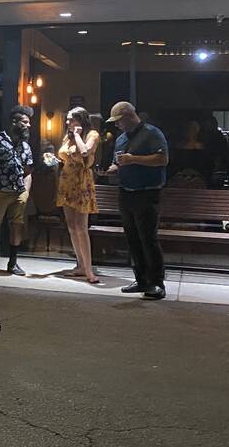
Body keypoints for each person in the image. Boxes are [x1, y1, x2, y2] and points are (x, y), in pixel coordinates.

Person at [108, 101, 170, 301]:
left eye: (118, 120)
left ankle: (157, 283)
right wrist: (112, 169)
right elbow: (118, 162)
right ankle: (141, 280)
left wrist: (133, 159)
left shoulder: (152, 133)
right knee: (132, 239)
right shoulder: (121, 139)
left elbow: (162, 159)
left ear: (129, 115)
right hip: (126, 192)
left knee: (148, 239)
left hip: (147, 192)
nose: (116, 125)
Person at [0, 105, 34, 274]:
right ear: (14, 122)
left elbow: (28, 171)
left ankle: (13, 263)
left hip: (19, 192)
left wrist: (26, 192)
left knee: (17, 226)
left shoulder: (25, 146)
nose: (28, 125)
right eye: (25, 122)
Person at [56, 106, 101, 284]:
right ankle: (80, 264)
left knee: (81, 227)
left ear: (81, 120)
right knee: (72, 226)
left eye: (72, 119)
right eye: (67, 119)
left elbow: (84, 152)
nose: (68, 122)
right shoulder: (67, 136)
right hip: (67, 181)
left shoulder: (92, 135)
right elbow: (64, 154)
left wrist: (76, 136)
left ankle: (89, 270)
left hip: (81, 182)